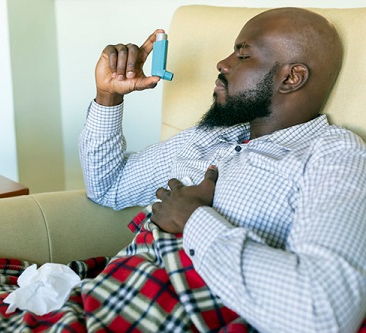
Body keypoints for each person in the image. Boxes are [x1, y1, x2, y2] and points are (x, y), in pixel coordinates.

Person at [80, 7, 366, 333]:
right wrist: (107, 97)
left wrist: (193, 218)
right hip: (110, 293)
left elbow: (325, 313)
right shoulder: (214, 134)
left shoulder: (333, 156)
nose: (223, 63)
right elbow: (108, 187)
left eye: (243, 56)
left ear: (291, 77)